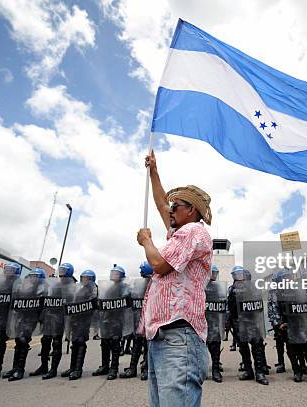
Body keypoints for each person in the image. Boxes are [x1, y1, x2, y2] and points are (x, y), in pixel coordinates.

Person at [137, 151, 213, 406]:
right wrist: (154, 171)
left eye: (176, 206)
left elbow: (158, 265)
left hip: (179, 337)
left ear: (192, 210)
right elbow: (160, 203)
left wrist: (146, 241)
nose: (170, 210)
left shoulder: (193, 231)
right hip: (164, 335)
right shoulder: (180, 231)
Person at [30, 263, 76, 380]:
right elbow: (47, 298)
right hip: (49, 316)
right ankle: (44, 366)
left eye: (63, 270)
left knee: (56, 342)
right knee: (45, 341)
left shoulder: (71, 285)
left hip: (60, 317)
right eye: (60, 269)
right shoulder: (54, 283)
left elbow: (71, 304)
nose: (61, 271)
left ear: (69, 271)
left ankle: (53, 369)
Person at [92, 265, 132, 380]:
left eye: (116, 273)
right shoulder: (108, 287)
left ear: (121, 276)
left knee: (115, 344)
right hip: (107, 319)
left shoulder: (125, 287)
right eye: (112, 273)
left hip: (117, 319)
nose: (113, 275)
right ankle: (105, 366)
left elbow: (125, 300)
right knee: (104, 342)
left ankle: (114, 369)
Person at [119, 262, 153, 380]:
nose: (140, 271)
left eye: (141, 270)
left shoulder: (154, 284)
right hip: (139, 321)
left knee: (146, 347)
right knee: (138, 345)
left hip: (149, 322)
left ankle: (145, 369)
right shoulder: (137, 285)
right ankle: (133, 368)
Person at [62, 269, 98, 380]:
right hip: (75, 319)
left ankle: (78, 369)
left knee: (80, 342)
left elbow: (93, 304)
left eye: (87, 278)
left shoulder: (94, 290)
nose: (84, 279)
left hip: (84, 319)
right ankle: (72, 368)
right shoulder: (79, 289)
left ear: (91, 279)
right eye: (83, 277)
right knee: (75, 343)